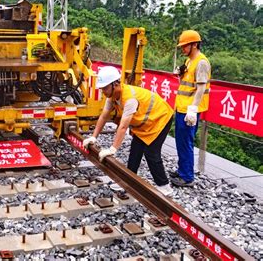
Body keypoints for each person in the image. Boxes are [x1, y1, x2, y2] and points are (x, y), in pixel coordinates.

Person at [83, 66, 174, 196]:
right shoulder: (112, 96)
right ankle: (128, 181)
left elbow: (123, 127)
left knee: (151, 153)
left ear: (115, 84)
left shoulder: (130, 99)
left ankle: (164, 186)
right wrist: (94, 137)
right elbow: (103, 116)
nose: (103, 91)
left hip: (160, 119)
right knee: (135, 151)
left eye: (105, 88)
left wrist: (113, 149)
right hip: (144, 123)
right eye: (102, 88)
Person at [172, 30, 211, 187]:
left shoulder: (201, 62)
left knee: (186, 141)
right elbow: (188, 82)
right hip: (181, 107)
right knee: (181, 141)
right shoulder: (189, 61)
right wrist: (180, 74)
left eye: (185, 46)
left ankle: (187, 176)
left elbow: (201, 88)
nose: (183, 49)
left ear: (194, 44)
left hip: (189, 111)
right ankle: (183, 170)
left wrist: (193, 109)